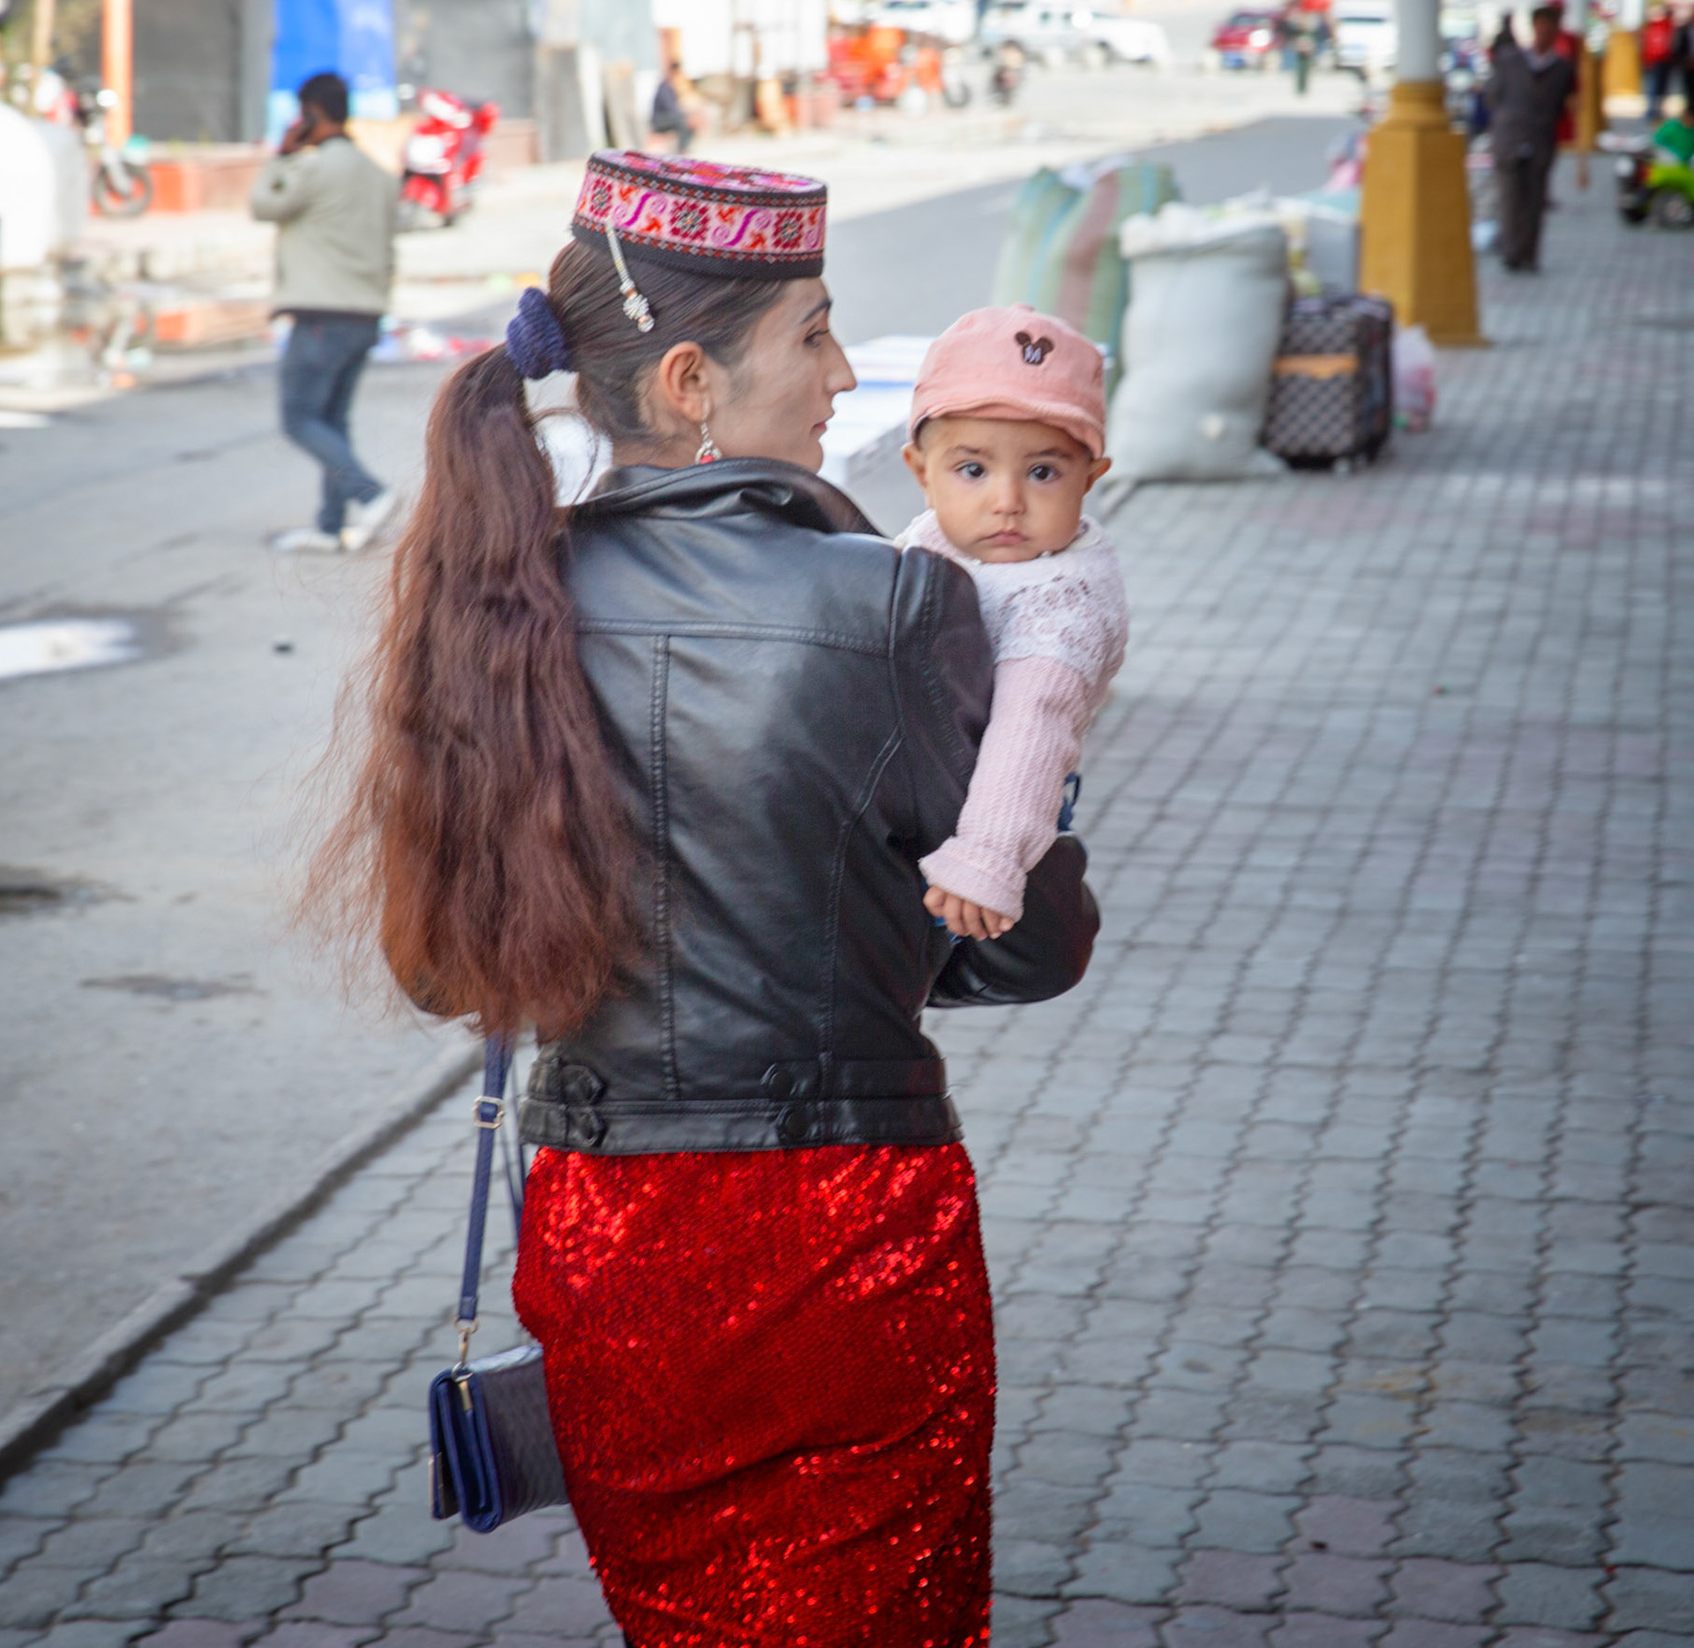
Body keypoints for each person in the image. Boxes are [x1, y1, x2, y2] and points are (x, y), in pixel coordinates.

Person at [315, 150, 1099, 1645]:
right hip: (840, 1234)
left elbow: (447, 974)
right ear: (689, 379)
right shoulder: (888, 602)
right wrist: (1034, 783)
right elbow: (1023, 954)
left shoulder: (498, 600)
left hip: (608, 1240)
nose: (846, 371)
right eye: (811, 331)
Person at [896, 306, 1128, 941]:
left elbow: (1033, 729)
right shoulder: (935, 538)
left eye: (1043, 472)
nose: (1007, 501)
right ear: (922, 473)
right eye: (972, 470)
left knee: (939, 953)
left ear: (1090, 479)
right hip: (942, 781)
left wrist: (990, 858)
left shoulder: (1063, 602)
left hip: (999, 816)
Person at [250, 70, 399, 554]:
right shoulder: (377, 175)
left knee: (299, 418)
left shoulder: (312, 170)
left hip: (320, 316)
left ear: (312, 113)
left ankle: (370, 493)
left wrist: (283, 154)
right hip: (366, 314)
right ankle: (330, 525)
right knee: (333, 421)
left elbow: (262, 204)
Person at [1484, 5, 1575, 274]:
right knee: (1510, 198)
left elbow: (1562, 105)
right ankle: (1512, 251)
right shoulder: (1509, 61)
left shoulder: (1562, 68)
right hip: (1509, 137)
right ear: (1533, 28)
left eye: (1550, 30)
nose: (1544, 35)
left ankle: (1529, 253)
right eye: (1540, 28)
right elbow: (1492, 96)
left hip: (1541, 139)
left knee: (1535, 199)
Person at [649, 61, 694, 153]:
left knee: (689, 121)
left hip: (667, 116)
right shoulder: (664, 87)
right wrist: (683, 113)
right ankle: (682, 148)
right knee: (683, 121)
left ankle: (684, 146)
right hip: (660, 120)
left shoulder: (670, 86)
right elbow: (670, 107)